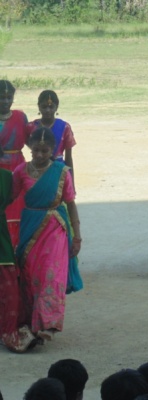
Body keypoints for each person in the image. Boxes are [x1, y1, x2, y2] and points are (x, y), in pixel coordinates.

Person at [14, 127, 83, 346]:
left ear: (53, 149)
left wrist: (78, 236)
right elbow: (8, 196)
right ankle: (34, 322)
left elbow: (71, 204)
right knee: (30, 274)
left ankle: (49, 324)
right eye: (36, 150)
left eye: (45, 150)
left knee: (50, 275)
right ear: (29, 148)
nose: (41, 155)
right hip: (29, 227)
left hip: (55, 227)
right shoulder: (21, 171)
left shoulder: (62, 172)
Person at [0, 145, 37, 353]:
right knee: (9, 289)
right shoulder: (7, 178)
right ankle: (8, 331)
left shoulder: (7, 177)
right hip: (2, 240)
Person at [0, 79, 29, 247]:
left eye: (8, 97)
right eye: (1, 97)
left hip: (18, 167)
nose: (5, 101)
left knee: (19, 210)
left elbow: (31, 143)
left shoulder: (20, 117)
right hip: (0, 172)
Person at [26, 90, 76, 169]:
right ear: (39, 107)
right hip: (36, 168)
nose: (47, 110)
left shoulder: (64, 127)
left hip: (58, 169)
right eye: (44, 107)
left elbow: (68, 157)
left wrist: (71, 179)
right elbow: (26, 141)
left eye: (51, 107)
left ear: (56, 107)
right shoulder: (31, 127)